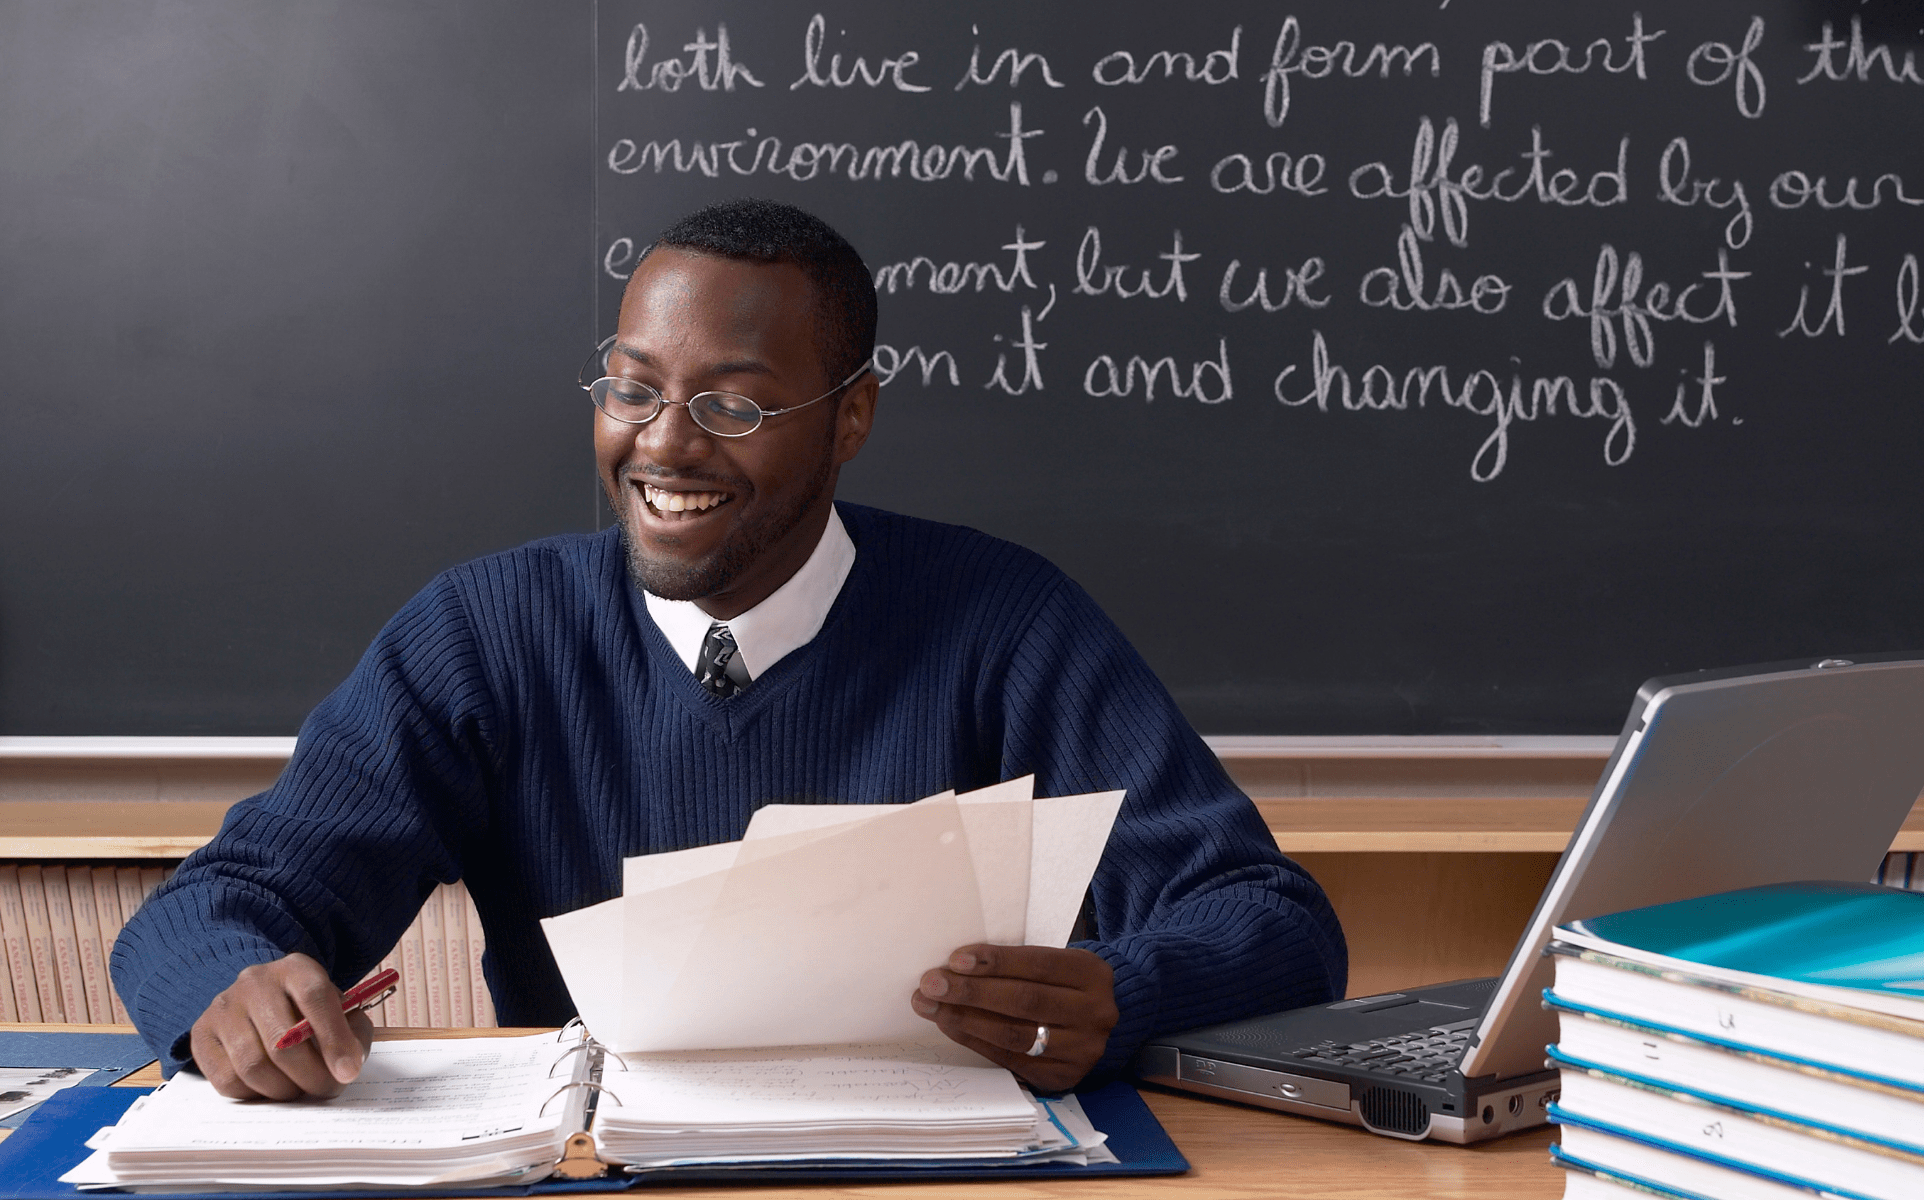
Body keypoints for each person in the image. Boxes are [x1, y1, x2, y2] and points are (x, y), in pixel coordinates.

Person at [110, 198, 1346, 1102]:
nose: (665, 445)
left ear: (850, 416)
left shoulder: (1002, 622)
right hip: (606, 1168)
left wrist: (1122, 992)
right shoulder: (485, 635)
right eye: (631, 387)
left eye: (736, 405)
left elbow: (1272, 921)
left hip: (938, 1177)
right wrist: (230, 979)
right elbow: (220, 903)